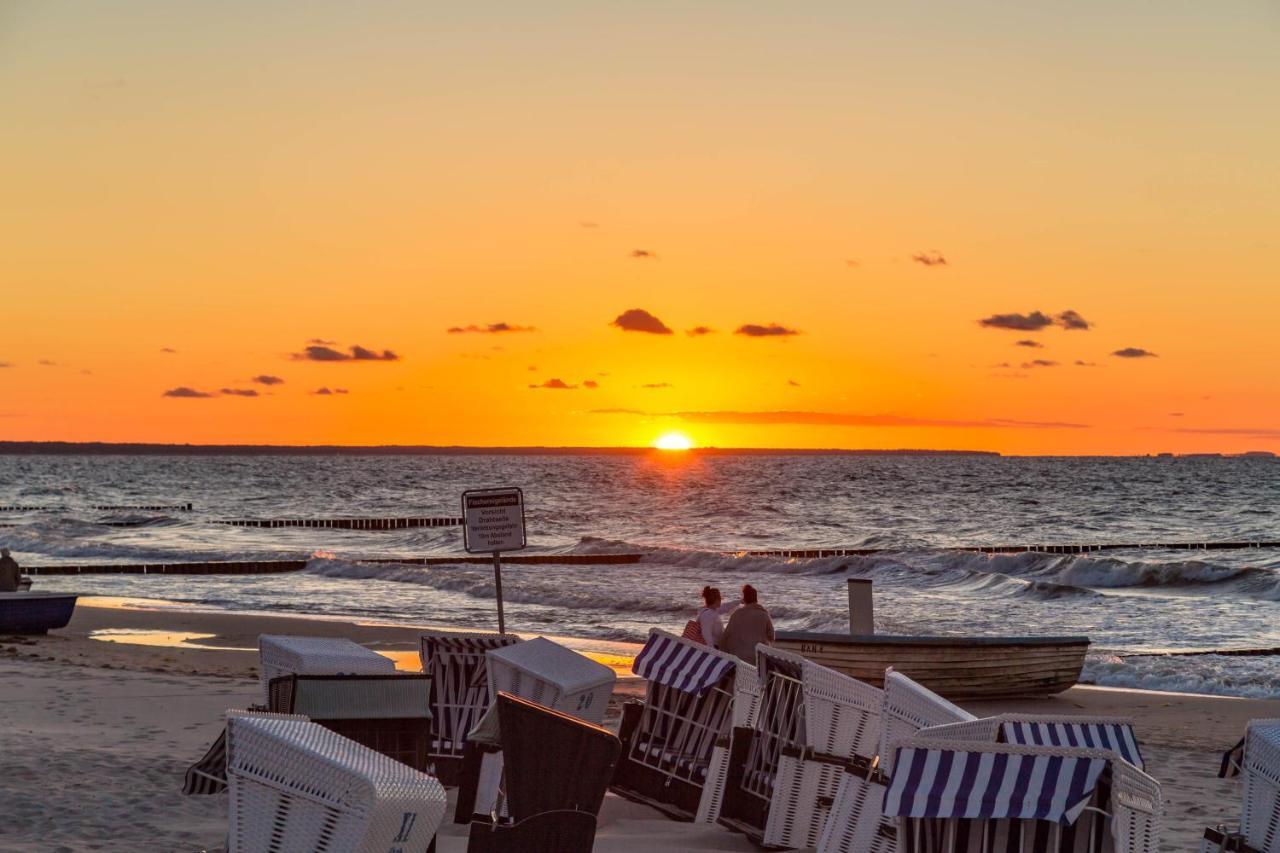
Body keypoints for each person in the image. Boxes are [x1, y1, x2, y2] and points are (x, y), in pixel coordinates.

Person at [718, 584, 774, 662]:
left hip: (738, 659)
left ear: (744, 600)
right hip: (758, 659)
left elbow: (725, 638)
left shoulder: (736, 614)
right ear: (756, 599)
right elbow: (771, 637)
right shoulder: (764, 614)